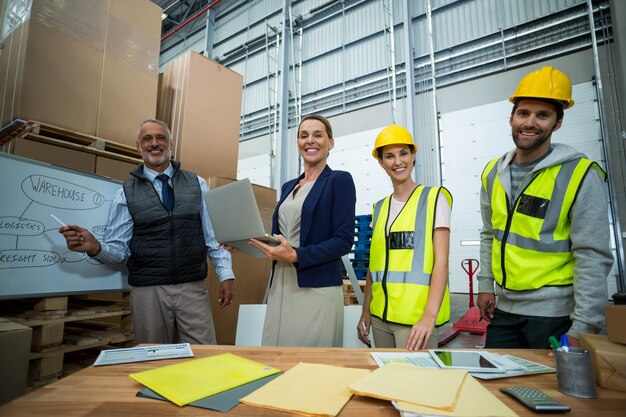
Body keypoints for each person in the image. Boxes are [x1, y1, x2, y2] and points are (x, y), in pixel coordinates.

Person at [59, 119, 235, 344]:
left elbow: (213, 238)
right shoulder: (126, 192)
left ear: (171, 144)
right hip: (147, 291)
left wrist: (226, 275)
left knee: (204, 356)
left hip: (191, 287)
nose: (154, 143)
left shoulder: (196, 184)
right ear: (138, 146)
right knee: (152, 360)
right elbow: (120, 251)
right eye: (147, 139)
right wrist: (96, 247)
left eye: (161, 137)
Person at [477, 66, 614, 349]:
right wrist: (486, 285)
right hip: (506, 310)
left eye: (543, 115)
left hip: (555, 315)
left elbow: (592, 254)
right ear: (511, 118)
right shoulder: (493, 173)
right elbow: (490, 233)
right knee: (492, 388)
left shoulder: (580, 175)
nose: (530, 123)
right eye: (523, 113)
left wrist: (584, 324)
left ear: (558, 122)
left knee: (553, 392)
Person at [249, 114, 356, 347]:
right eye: (303, 135)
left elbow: (343, 240)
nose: (310, 140)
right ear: (298, 143)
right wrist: (243, 241)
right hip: (281, 284)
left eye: (318, 135)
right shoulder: (289, 186)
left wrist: (297, 255)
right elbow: (279, 239)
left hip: (316, 289)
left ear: (331, 142)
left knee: (310, 364)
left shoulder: (339, 181)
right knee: (277, 356)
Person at [357, 125, 452, 351]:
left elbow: (442, 262)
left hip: (415, 322)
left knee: (415, 383)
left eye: (404, 153)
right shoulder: (379, 208)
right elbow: (374, 265)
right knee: (385, 382)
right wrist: (366, 310)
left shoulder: (434, 199)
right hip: (380, 318)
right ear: (381, 162)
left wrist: (429, 316)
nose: (398, 161)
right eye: (389, 156)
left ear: (413, 156)